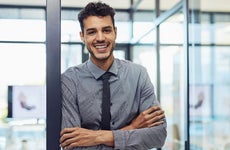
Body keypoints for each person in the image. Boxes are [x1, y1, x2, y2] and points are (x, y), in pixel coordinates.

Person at [59, 2, 167, 150]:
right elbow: (72, 145)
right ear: (82, 37)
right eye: (91, 32)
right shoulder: (69, 80)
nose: (100, 38)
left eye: (106, 30)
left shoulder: (139, 75)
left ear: (115, 32)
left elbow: (158, 136)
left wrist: (96, 137)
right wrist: (133, 127)